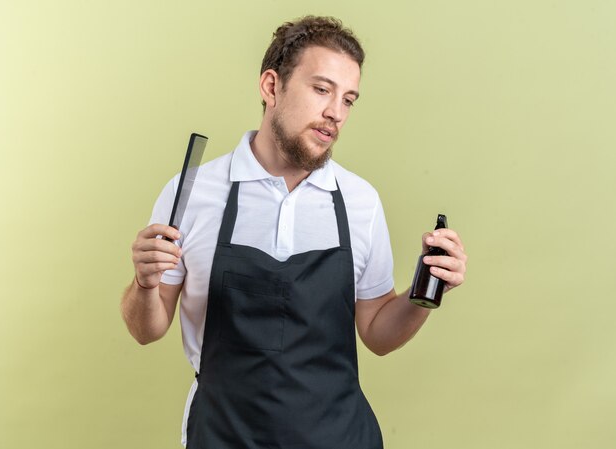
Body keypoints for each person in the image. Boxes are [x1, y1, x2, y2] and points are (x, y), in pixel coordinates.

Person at [121, 15, 467, 449]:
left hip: (339, 436)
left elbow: (377, 334)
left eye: (348, 99)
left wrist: (424, 292)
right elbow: (145, 329)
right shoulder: (193, 192)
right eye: (321, 89)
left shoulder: (359, 201)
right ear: (271, 87)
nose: (335, 113)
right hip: (223, 434)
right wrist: (145, 282)